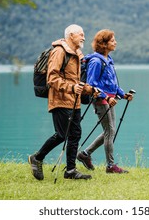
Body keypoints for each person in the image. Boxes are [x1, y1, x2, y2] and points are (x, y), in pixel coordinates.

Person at [28, 24, 97, 181]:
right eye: (81, 34)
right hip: (60, 100)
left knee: (75, 134)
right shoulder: (59, 52)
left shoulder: (76, 55)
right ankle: (37, 158)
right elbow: (52, 79)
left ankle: (70, 170)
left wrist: (91, 90)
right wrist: (72, 88)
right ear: (71, 35)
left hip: (74, 101)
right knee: (62, 134)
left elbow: (76, 81)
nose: (84, 37)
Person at [77, 29, 134, 174]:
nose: (115, 42)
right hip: (101, 100)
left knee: (109, 131)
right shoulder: (96, 61)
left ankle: (85, 154)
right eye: (112, 40)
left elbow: (111, 84)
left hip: (110, 100)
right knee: (110, 131)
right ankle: (110, 166)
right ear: (104, 44)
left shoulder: (108, 60)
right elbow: (91, 85)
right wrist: (106, 97)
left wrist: (123, 94)